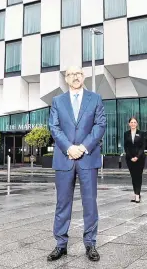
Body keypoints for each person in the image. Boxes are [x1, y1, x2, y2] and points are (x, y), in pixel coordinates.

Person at [47, 66, 106, 263]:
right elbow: (54, 127)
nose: (75, 77)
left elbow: (100, 125)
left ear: (84, 76)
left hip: (87, 157)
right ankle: (61, 244)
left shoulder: (95, 98)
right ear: (66, 78)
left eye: (78, 74)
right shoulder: (57, 101)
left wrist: (82, 147)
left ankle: (90, 243)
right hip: (64, 158)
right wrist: (68, 147)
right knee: (62, 203)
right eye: (71, 74)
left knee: (90, 203)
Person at [124, 117, 146, 203]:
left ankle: (137, 195)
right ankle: (136, 193)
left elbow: (143, 146)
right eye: (131, 122)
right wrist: (130, 157)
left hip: (140, 158)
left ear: (137, 124)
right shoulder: (126, 134)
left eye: (134, 122)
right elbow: (126, 147)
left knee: (138, 176)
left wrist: (137, 156)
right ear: (129, 124)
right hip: (129, 158)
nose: (133, 124)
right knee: (133, 176)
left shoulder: (141, 133)